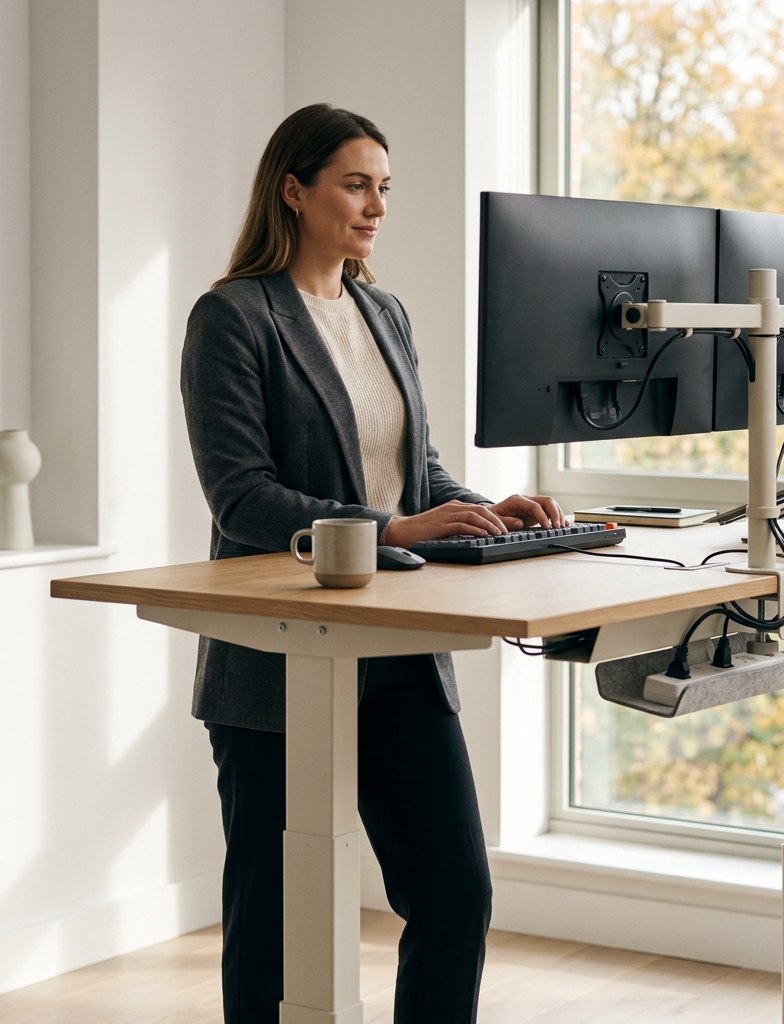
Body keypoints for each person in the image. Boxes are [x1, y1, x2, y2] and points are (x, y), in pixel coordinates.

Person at [180, 103, 565, 1024]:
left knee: (454, 893)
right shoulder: (233, 317)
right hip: (279, 658)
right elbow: (244, 499)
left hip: (398, 652)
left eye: (384, 187)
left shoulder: (383, 312)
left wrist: (483, 510)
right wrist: (398, 530)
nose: (377, 207)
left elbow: (412, 470)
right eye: (356, 185)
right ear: (293, 190)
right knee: (273, 929)